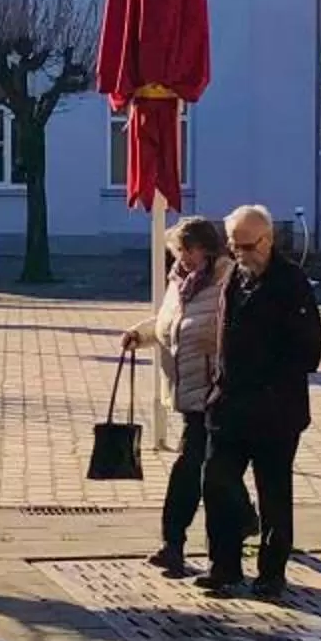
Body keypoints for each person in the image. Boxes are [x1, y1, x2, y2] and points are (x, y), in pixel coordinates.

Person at [203, 203, 321, 598]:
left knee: (274, 493)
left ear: (268, 240)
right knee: (217, 483)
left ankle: (271, 573)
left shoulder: (291, 282)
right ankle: (224, 567)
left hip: (275, 411)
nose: (240, 254)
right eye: (234, 247)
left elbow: (309, 350)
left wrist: (270, 384)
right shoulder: (233, 278)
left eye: (248, 246)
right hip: (228, 407)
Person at [122, 215, 232, 575]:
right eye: (178, 251)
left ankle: (173, 542)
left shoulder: (228, 280)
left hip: (217, 392)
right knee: (207, 467)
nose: (182, 258)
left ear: (208, 248)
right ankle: (244, 520)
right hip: (187, 391)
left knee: (191, 468)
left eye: (188, 250)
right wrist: (142, 334)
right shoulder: (179, 283)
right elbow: (171, 322)